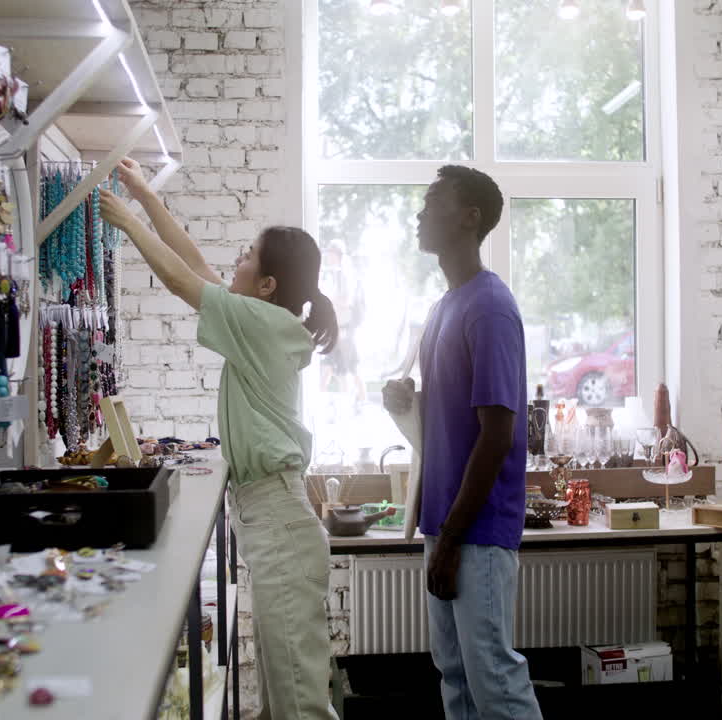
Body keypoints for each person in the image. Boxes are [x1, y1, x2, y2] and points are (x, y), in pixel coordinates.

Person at [99, 158, 339, 720]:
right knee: (286, 700)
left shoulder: (262, 324)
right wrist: (144, 195)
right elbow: (194, 263)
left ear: (268, 284)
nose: (236, 261)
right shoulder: (261, 318)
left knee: (300, 705)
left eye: (247, 256)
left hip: (279, 524)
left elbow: (182, 280)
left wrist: (127, 222)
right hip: (273, 520)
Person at [383, 165, 542, 720]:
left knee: (494, 682)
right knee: (456, 679)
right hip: (445, 523)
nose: (420, 213)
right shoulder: (444, 308)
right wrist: (408, 400)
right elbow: (453, 415)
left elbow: (498, 434)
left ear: (470, 218)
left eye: (433, 202)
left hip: (476, 530)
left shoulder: (491, 307)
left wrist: (452, 539)